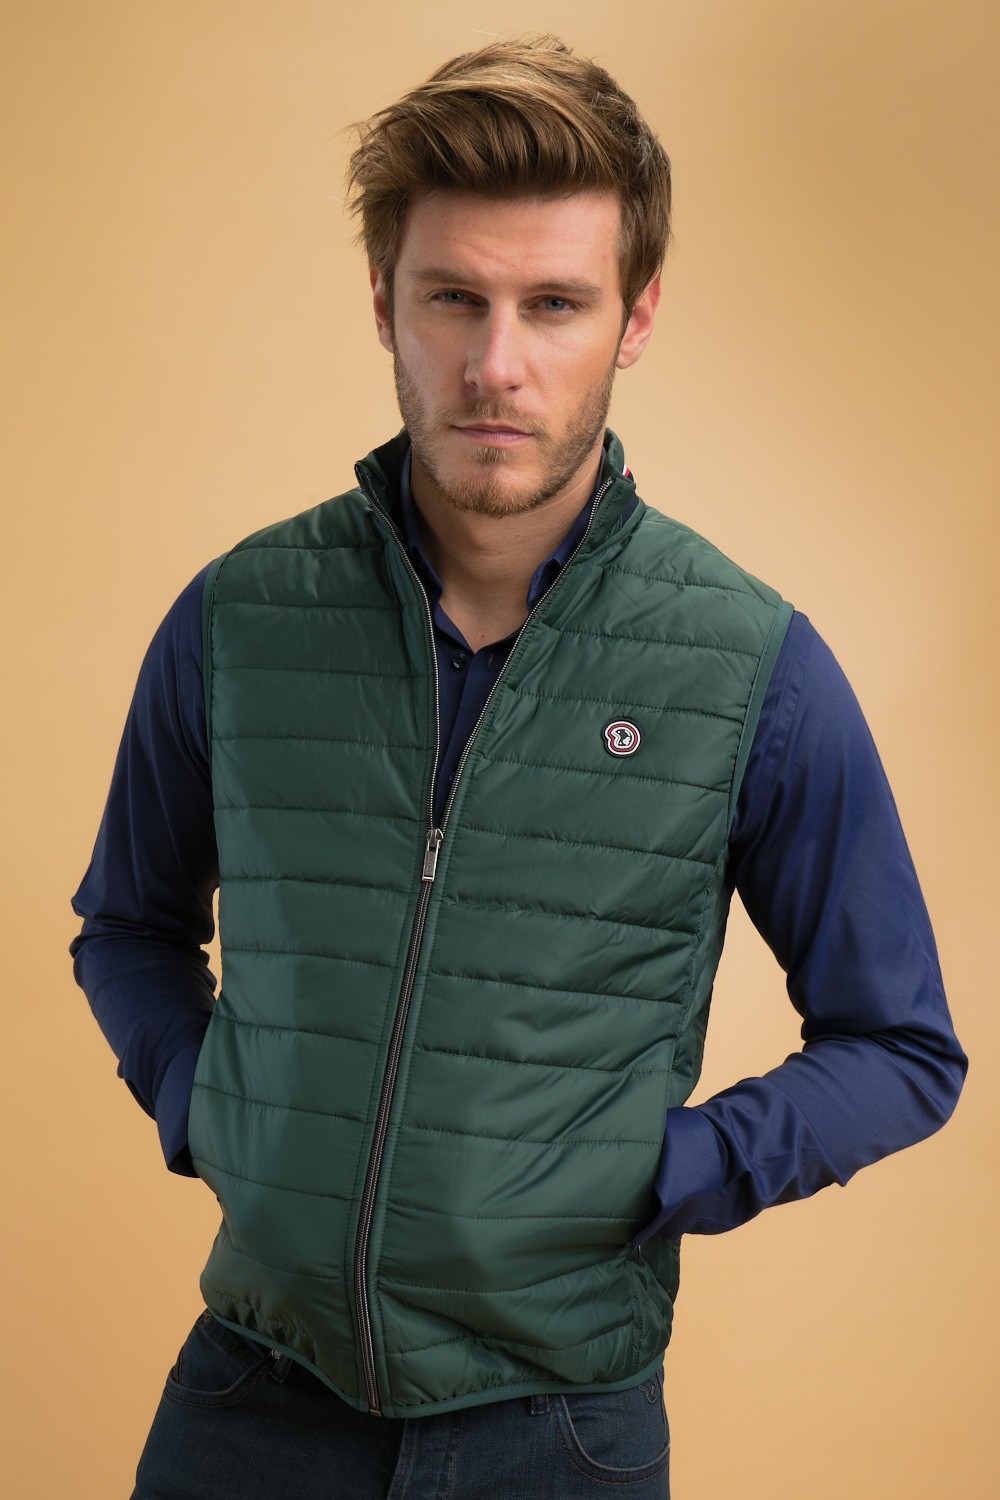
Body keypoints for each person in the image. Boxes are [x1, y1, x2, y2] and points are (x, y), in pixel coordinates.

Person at [71, 34, 966, 1500]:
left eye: (555, 303)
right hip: (251, 1401)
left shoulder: (750, 666)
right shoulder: (238, 620)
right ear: (384, 300)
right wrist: (204, 1105)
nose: (497, 365)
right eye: (454, 299)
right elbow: (127, 926)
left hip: (560, 1431)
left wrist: (665, 1171)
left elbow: (902, 1047)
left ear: (635, 315)